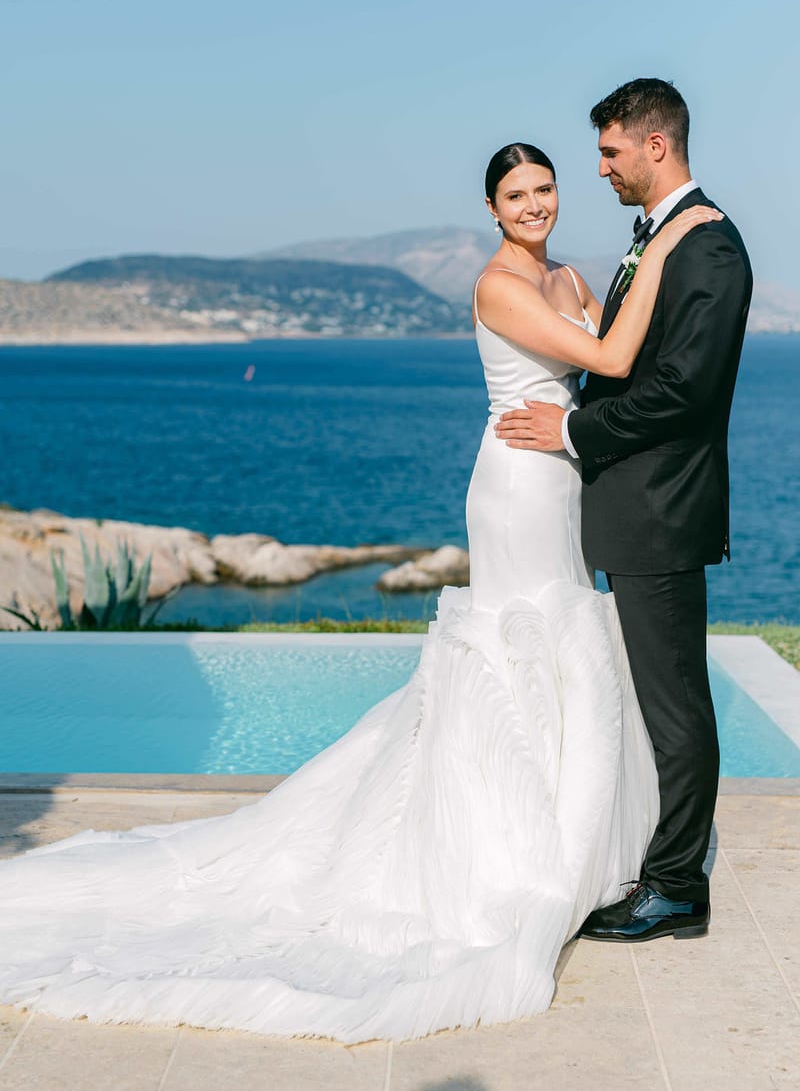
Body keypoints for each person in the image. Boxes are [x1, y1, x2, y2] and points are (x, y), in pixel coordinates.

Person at [0, 143, 719, 1044]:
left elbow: (618, 356)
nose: (533, 205)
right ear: (492, 210)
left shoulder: (568, 272)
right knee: (517, 644)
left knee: (563, 638)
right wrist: (669, 240)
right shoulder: (498, 285)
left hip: (560, 474)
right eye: (515, 195)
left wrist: (638, 280)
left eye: (544, 189)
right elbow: (612, 358)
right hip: (517, 484)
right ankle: (510, 851)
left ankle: (573, 834)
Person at [495, 80, 753, 942]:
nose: (597, 169)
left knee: (674, 702)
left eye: (608, 152)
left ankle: (676, 884)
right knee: (649, 697)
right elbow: (625, 360)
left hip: (662, 510)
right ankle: (656, 863)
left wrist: (572, 427)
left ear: (654, 145)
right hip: (633, 506)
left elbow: (683, 392)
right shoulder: (661, 238)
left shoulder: (708, 248)